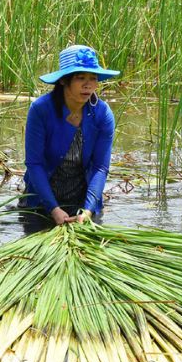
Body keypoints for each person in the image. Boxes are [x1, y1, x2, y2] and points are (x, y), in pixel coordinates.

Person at [19, 45, 120, 230]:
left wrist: (88, 210)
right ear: (64, 81)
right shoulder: (41, 110)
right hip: (41, 202)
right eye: (80, 78)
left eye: (93, 78)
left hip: (82, 201)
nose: (88, 85)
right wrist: (53, 208)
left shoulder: (102, 114)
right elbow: (34, 164)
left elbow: (100, 167)